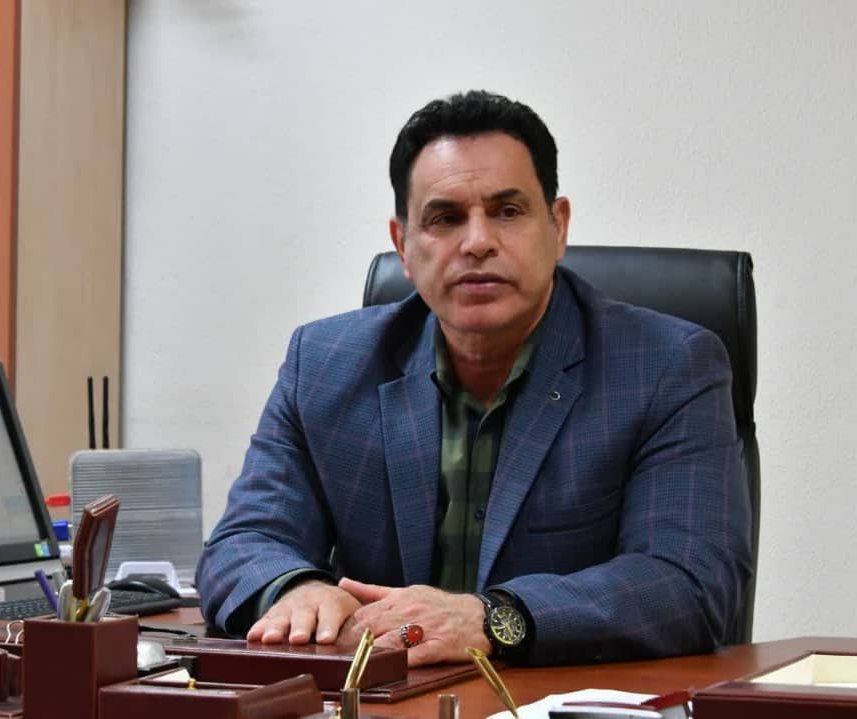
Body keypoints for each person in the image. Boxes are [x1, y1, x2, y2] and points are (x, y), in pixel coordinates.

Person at [196, 90, 752, 667]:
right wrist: (294, 588)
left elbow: (689, 581)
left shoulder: (667, 365)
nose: (478, 241)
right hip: (387, 696)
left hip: (555, 697)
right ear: (403, 245)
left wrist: (491, 618)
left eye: (507, 211)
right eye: (445, 218)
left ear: (558, 227)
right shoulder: (325, 362)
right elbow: (243, 542)